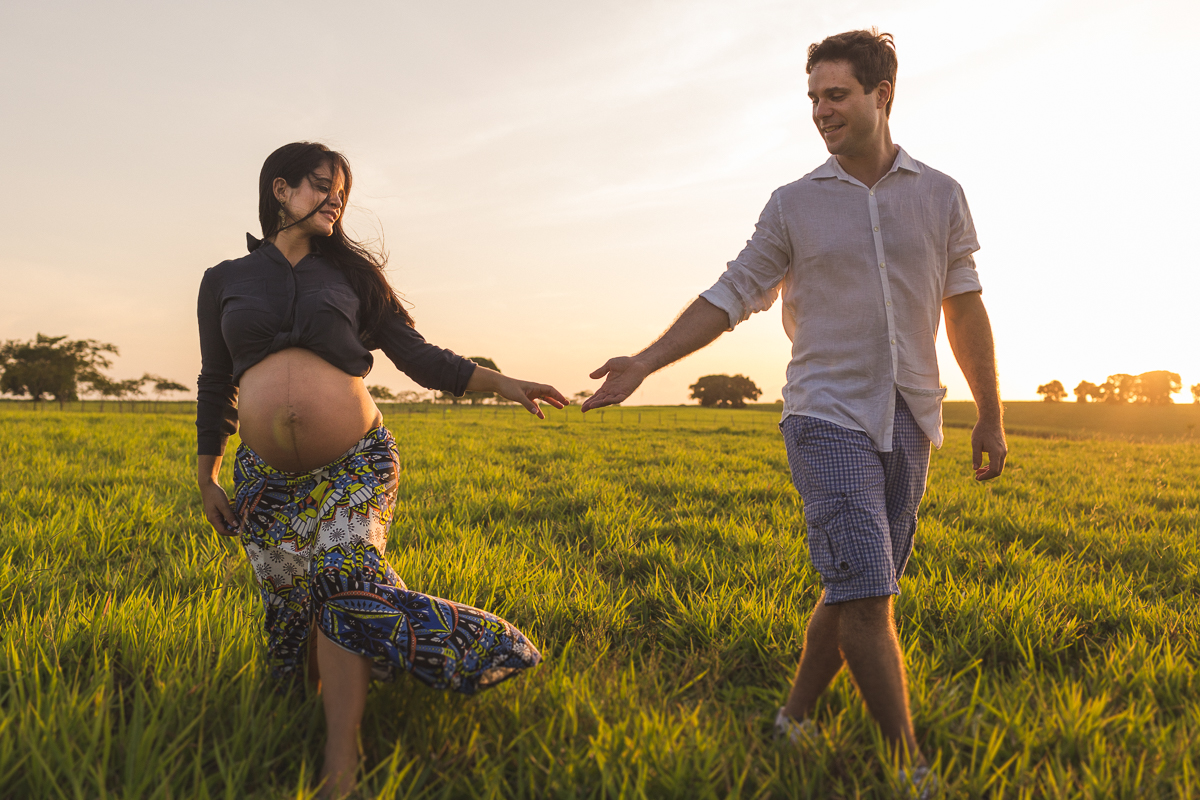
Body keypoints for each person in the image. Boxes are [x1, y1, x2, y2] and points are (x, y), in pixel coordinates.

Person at [582, 29, 1006, 795]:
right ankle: (909, 769)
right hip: (823, 416)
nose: (820, 111)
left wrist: (991, 413)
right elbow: (730, 294)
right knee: (869, 594)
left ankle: (793, 718)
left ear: (881, 95)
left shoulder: (941, 195)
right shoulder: (793, 205)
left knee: (855, 585)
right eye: (812, 98)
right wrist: (645, 361)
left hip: (910, 416)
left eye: (835, 95)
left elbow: (965, 307)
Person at [196, 141, 566, 798]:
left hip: (355, 462)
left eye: (341, 192)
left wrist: (504, 383)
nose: (334, 200)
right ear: (280, 189)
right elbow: (216, 382)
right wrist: (208, 475)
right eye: (320, 186)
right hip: (264, 480)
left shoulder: (353, 277)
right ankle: (304, 704)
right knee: (290, 615)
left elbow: (421, 358)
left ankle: (343, 757)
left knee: (344, 578)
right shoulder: (224, 279)